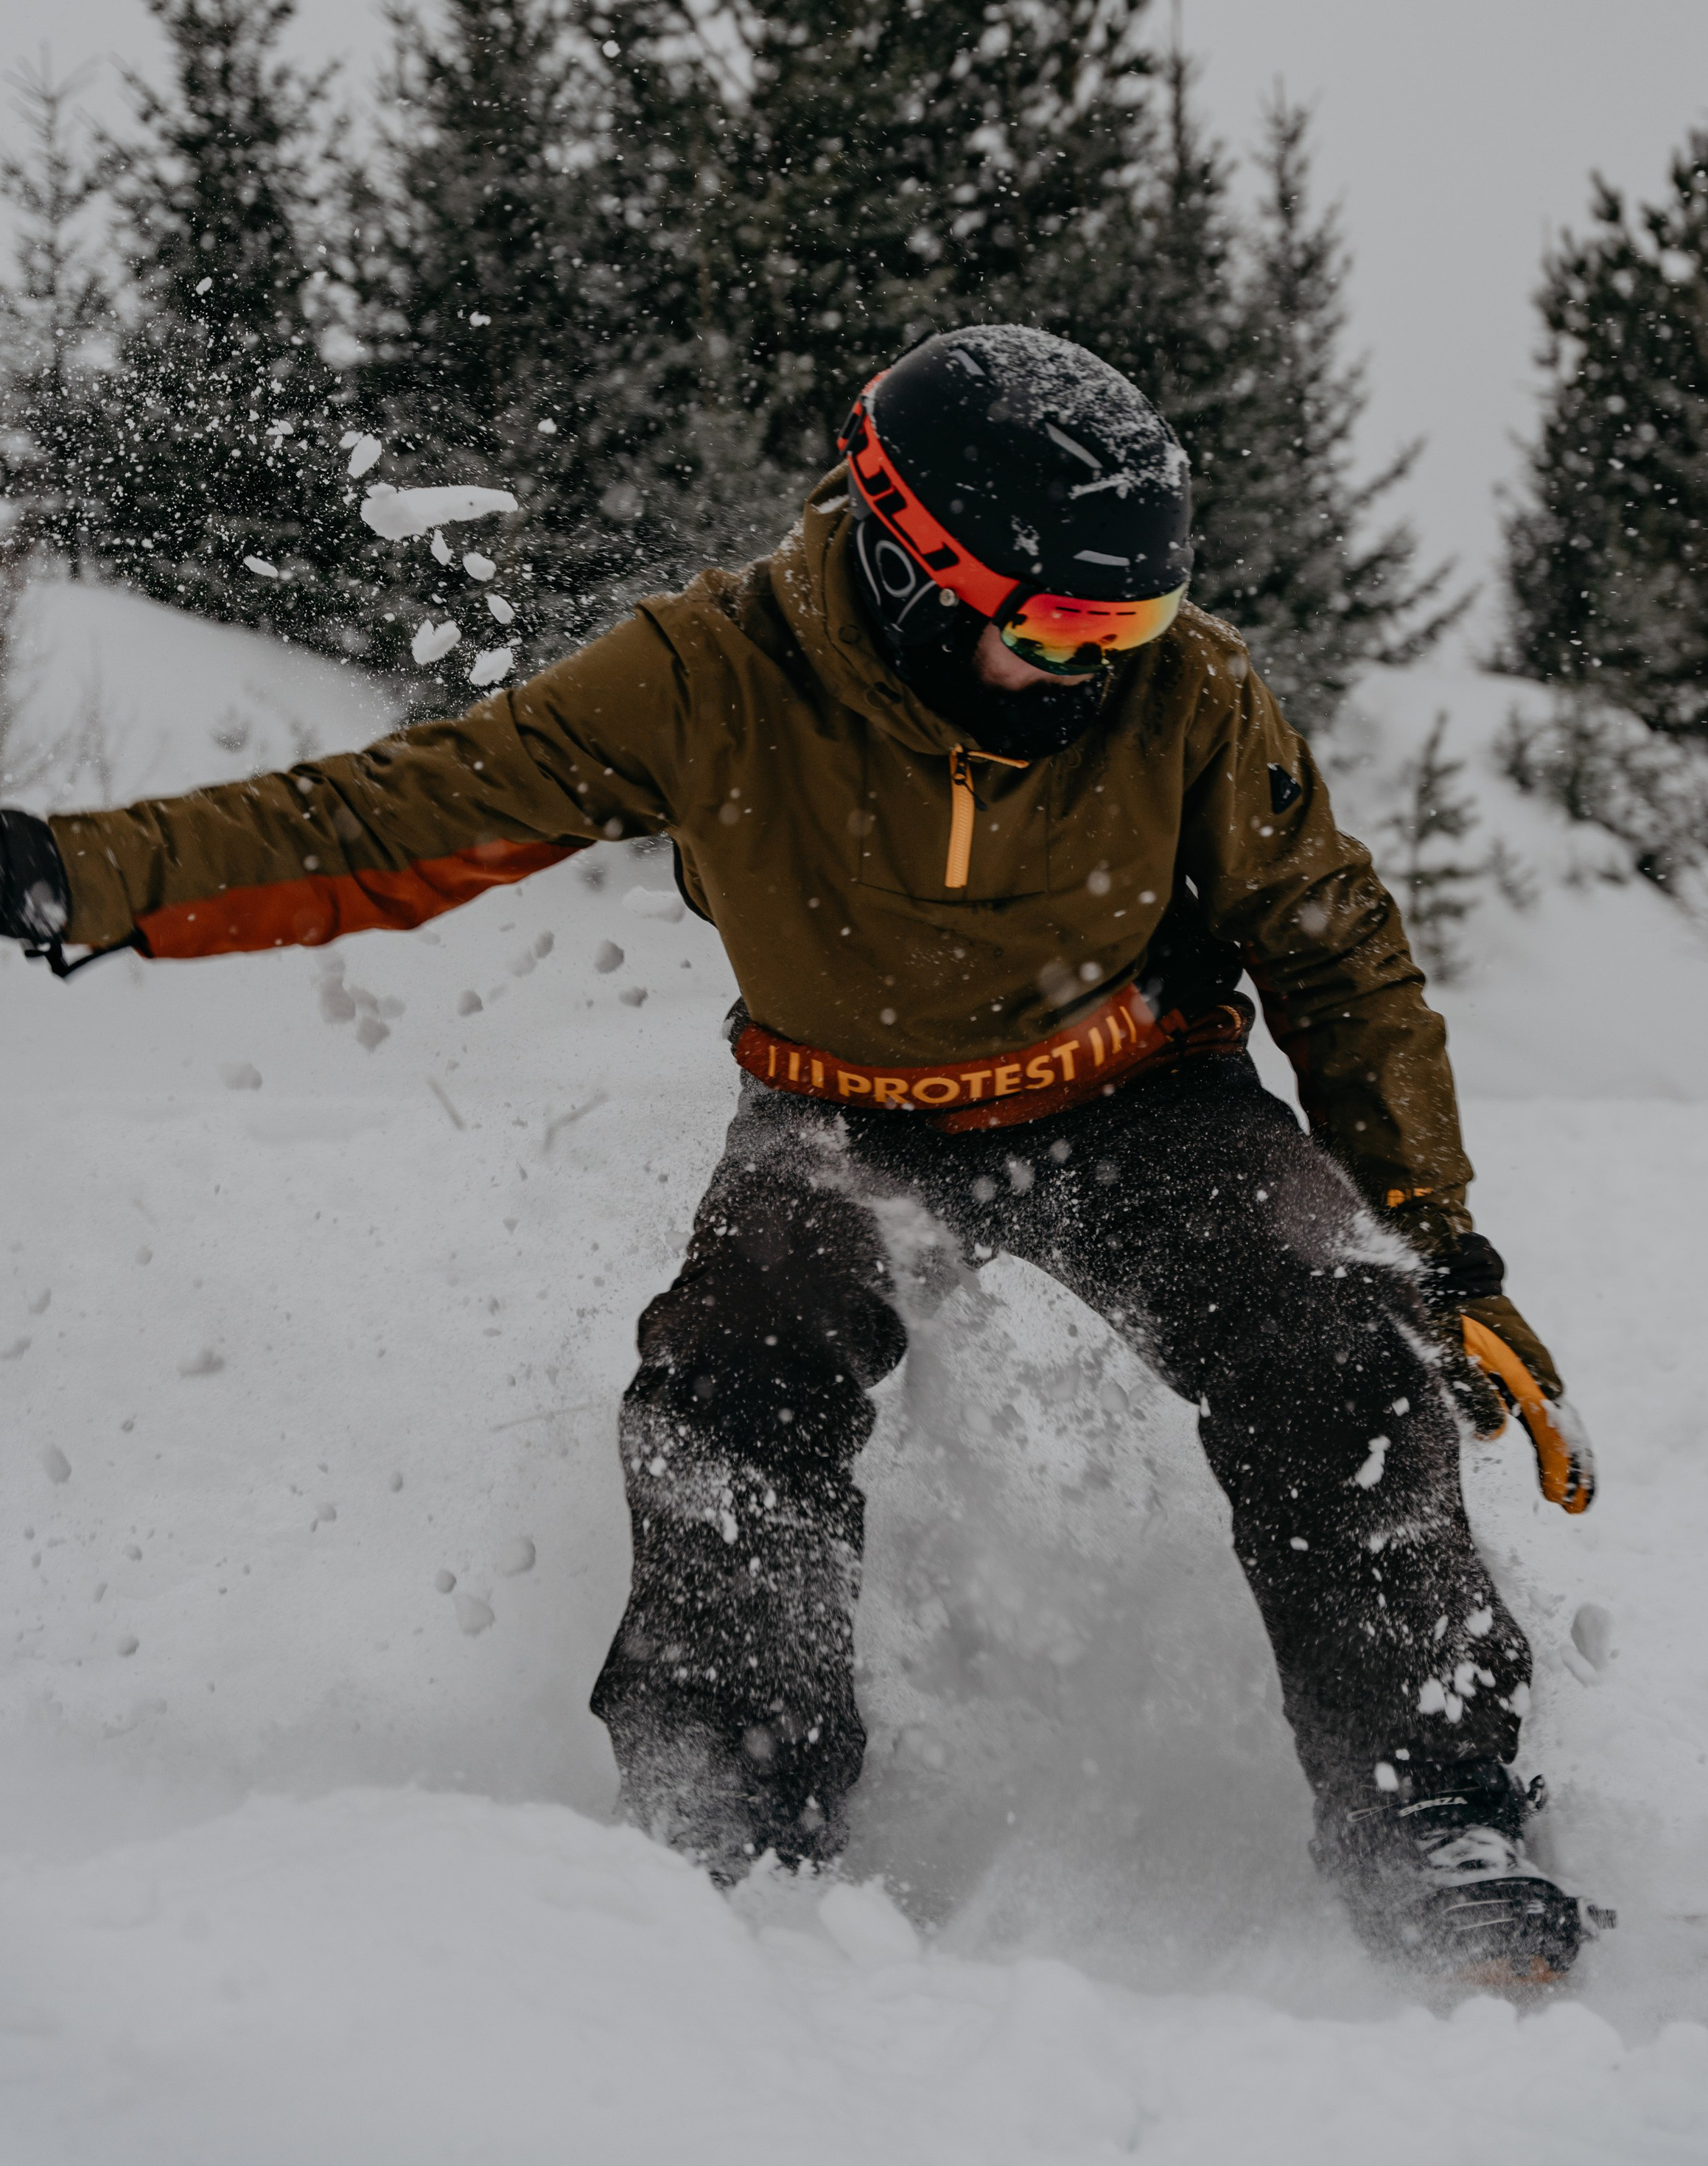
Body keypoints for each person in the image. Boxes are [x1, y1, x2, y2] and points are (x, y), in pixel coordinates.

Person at [0, 324, 1599, 1979]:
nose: (1100, 668)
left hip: (1140, 1095)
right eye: (1060, 629)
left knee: (1334, 1351)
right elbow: (393, 817)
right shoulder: (708, 674)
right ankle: (726, 1816)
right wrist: (76, 872)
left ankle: (1435, 1811)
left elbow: (1330, 945)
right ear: (916, 568)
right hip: (846, 1116)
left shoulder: (1186, 693)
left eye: (1130, 626)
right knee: (727, 1378)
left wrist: (1430, 1236)